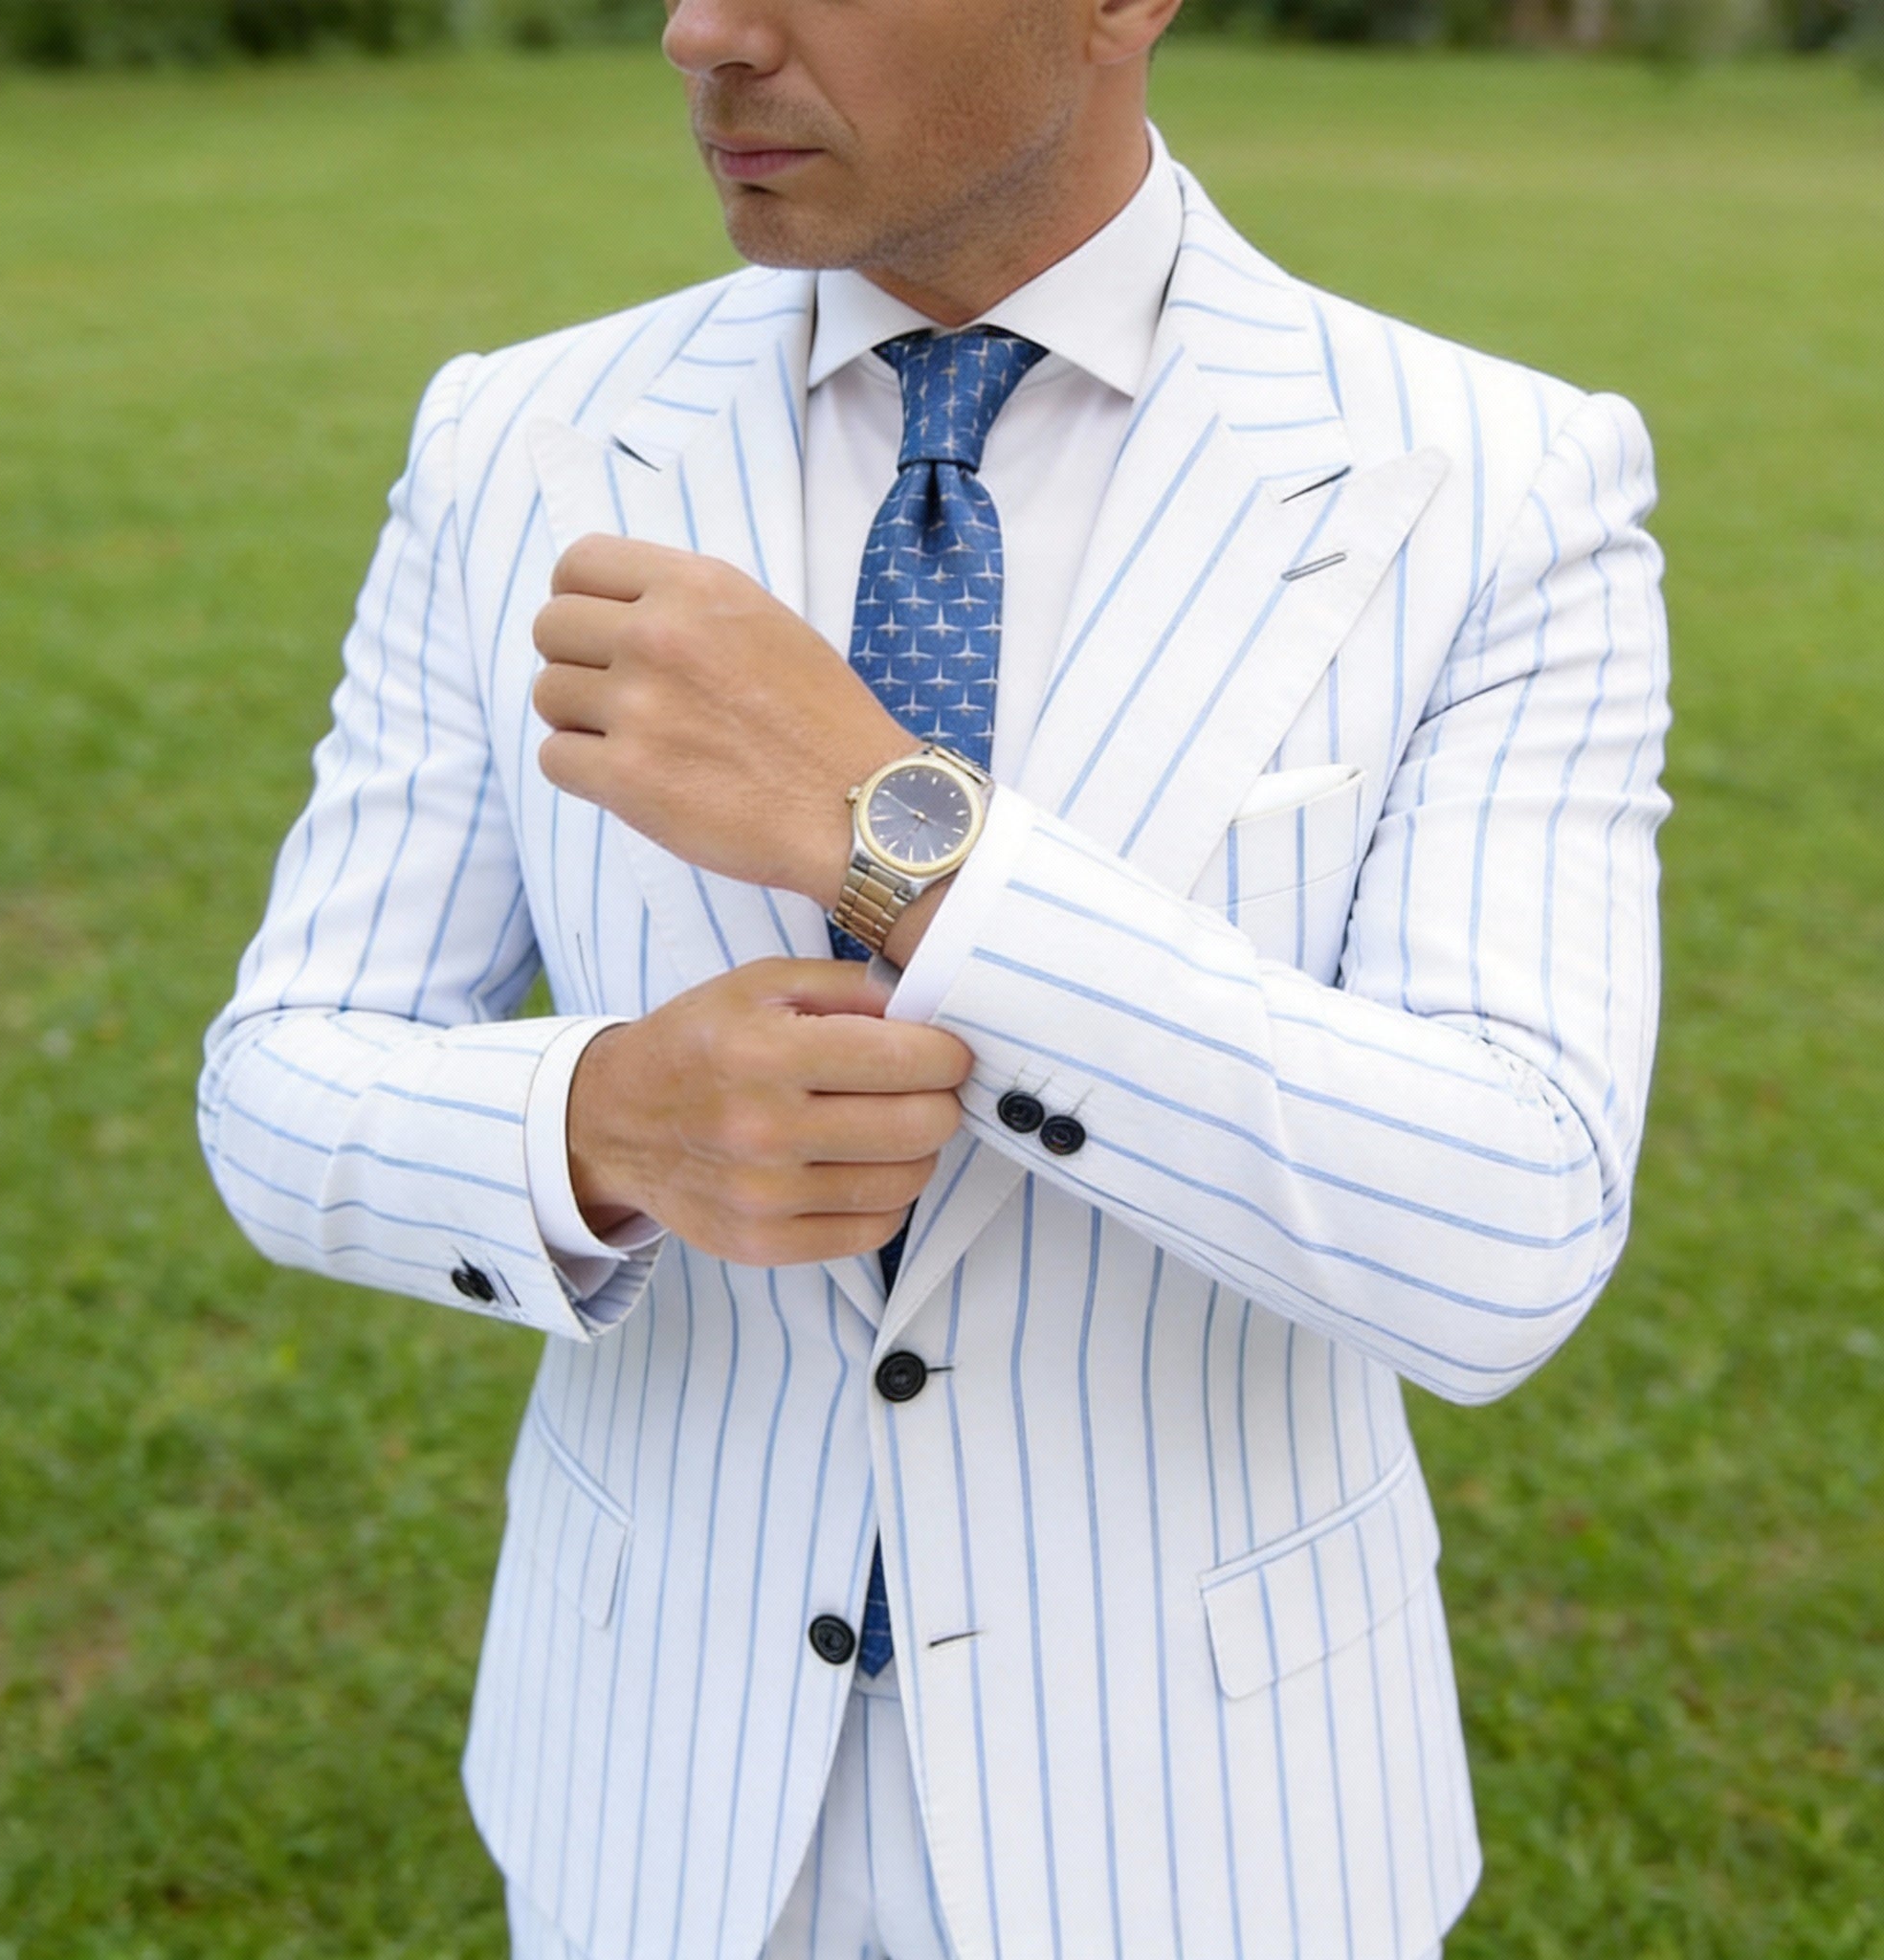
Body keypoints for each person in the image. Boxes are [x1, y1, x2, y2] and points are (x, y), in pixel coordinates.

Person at [197, 0, 1671, 1952]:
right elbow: (280, 1079)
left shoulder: (1491, 481)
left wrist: (899, 840)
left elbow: (1506, 1225)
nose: (699, 33)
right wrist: (600, 1122)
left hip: (1217, 1831)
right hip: (654, 1801)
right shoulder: (517, 441)